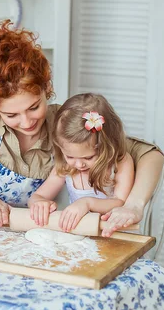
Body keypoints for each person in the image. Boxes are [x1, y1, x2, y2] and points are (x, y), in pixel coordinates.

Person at [0, 21, 164, 236]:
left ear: (46, 89)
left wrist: (132, 205)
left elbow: (149, 154)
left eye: (34, 107)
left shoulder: (62, 124)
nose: (26, 122)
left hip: (18, 235)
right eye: (11, 114)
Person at [28, 93, 134, 232]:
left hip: (112, 234)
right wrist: (39, 203)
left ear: (107, 146)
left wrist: (87, 203)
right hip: (80, 235)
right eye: (70, 156)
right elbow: (36, 197)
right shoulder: (66, 167)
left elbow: (120, 202)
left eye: (88, 158)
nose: (79, 165)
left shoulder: (120, 163)